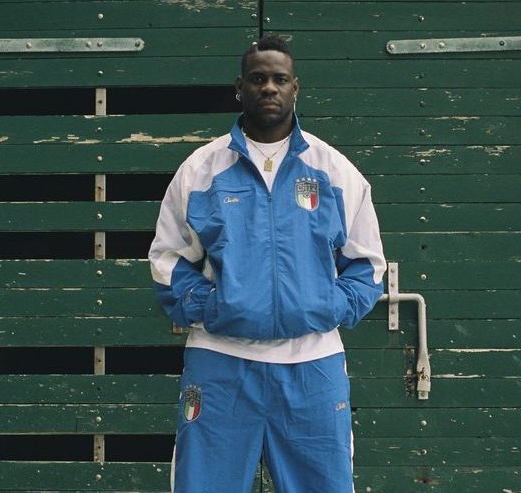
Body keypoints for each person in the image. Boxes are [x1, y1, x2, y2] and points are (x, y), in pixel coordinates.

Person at [149, 35, 386, 493]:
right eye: (258, 79)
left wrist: (326, 306)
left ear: (296, 87)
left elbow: (368, 265)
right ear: (240, 88)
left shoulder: (334, 170)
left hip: (312, 365)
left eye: (279, 79)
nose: (269, 88)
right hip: (221, 364)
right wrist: (212, 308)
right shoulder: (201, 169)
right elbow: (167, 259)